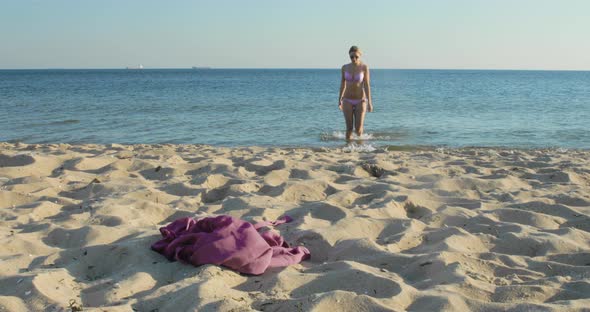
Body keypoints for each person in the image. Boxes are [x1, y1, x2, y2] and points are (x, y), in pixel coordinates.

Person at [338, 45, 373, 142]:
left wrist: (369, 102)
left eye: (356, 57)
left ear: (360, 56)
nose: (354, 59)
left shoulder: (364, 67)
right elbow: (342, 84)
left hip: (360, 100)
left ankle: (360, 147)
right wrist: (339, 99)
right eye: (351, 57)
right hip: (347, 100)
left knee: (358, 129)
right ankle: (348, 148)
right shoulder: (345, 68)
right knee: (349, 128)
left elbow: (366, 85)